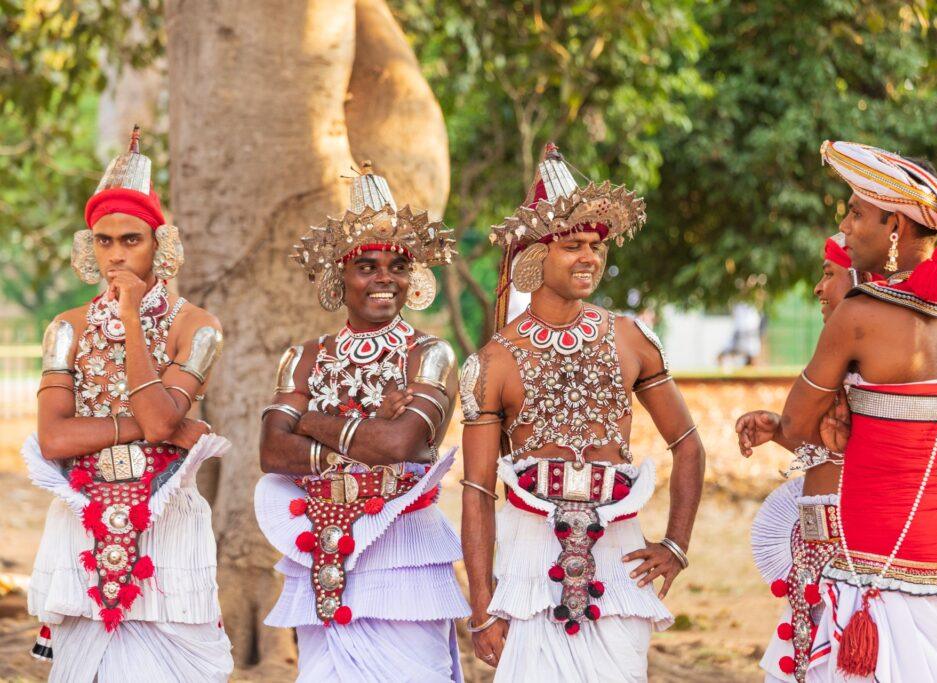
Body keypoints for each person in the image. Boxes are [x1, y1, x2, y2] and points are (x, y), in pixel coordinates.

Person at [458, 144, 705, 681]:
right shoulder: (493, 361)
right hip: (527, 556)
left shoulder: (632, 339)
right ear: (535, 256)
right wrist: (481, 607)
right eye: (572, 246)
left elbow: (687, 443)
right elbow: (477, 492)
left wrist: (676, 545)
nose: (589, 258)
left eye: (596, 245)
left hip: (619, 555)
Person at [776, 140, 937, 682]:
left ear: (895, 226)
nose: (847, 227)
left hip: (872, 546)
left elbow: (795, 427)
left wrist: (833, 419)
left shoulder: (860, 314)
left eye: (857, 214)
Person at [25, 126, 233, 681]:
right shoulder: (64, 329)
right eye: (104, 240)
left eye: (131, 240)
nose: (116, 254)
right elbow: (54, 439)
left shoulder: (198, 326)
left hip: (167, 517)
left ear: (159, 245)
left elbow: (162, 420)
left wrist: (132, 319)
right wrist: (144, 428)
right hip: (80, 515)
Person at [254, 162, 470, 681]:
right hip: (318, 539)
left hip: (405, 548)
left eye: (397, 266)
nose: (384, 279)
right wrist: (361, 434)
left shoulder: (430, 355)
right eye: (366, 266)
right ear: (338, 277)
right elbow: (270, 453)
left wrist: (309, 418)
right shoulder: (303, 357)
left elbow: (400, 445)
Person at [737, 233, 876, 682]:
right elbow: (837, 453)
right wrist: (780, 432)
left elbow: (876, 460)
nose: (818, 288)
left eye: (828, 274)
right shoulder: (850, 357)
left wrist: (790, 427)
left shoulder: (881, 362)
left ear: (860, 279)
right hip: (817, 554)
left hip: (857, 558)